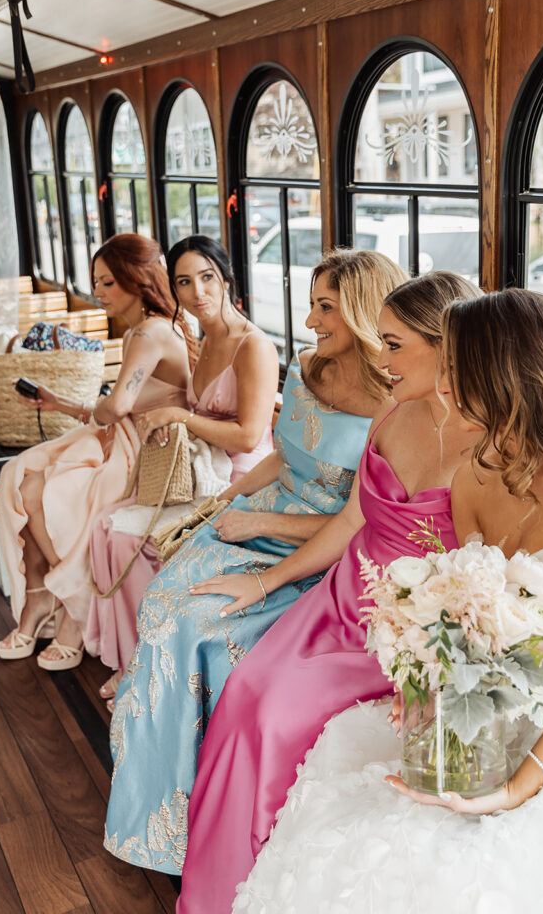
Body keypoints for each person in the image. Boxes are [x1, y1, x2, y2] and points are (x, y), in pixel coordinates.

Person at [232, 289, 543, 914]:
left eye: (459, 371)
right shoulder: (481, 470)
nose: (445, 385)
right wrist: (425, 686)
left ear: (511, 377)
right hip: (479, 694)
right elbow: (457, 602)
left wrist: (515, 789)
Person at [174, 271, 483, 912]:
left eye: (395, 345)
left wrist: (428, 670)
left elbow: (482, 577)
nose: (382, 357)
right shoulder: (394, 414)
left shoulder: (489, 446)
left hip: (402, 625)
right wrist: (265, 579)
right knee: (244, 693)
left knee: (269, 714)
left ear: (443, 343)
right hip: (340, 595)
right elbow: (351, 522)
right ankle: (216, 891)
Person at [103, 249, 407, 875]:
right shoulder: (305, 368)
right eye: (313, 302)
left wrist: (257, 524)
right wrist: (225, 502)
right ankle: (153, 803)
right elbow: (280, 456)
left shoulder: (392, 408)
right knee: (162, 603)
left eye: (327, 306)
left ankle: (199, 819)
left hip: (312, 552)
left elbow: (357, 523)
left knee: (201, 630)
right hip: (256, 513)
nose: (311, 318)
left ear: (361, 310)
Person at [85, 236, 279, 704]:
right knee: (107, 526)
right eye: (184, 283)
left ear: (227, 279)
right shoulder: (206, 338)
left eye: (207, 278)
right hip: (200, 469)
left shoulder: (252, 347)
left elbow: (251, 436)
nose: (197, 293)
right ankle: (136, 654)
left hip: (242, 479)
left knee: (140, 540)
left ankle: (152, 664)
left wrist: (180, 417)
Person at [0, 234, 193, 671]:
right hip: (121, 435)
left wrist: (97, 410)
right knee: (24, 479)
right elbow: (115, 407)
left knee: (39, 493)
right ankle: (46, 598)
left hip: (146, 449)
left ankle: (67, 603)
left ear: (136, 280)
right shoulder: (143, 330)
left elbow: (119, 406)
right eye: (95, 282)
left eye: (107, 282)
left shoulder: (150, 332)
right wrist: (57, 403)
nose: (97, 292)